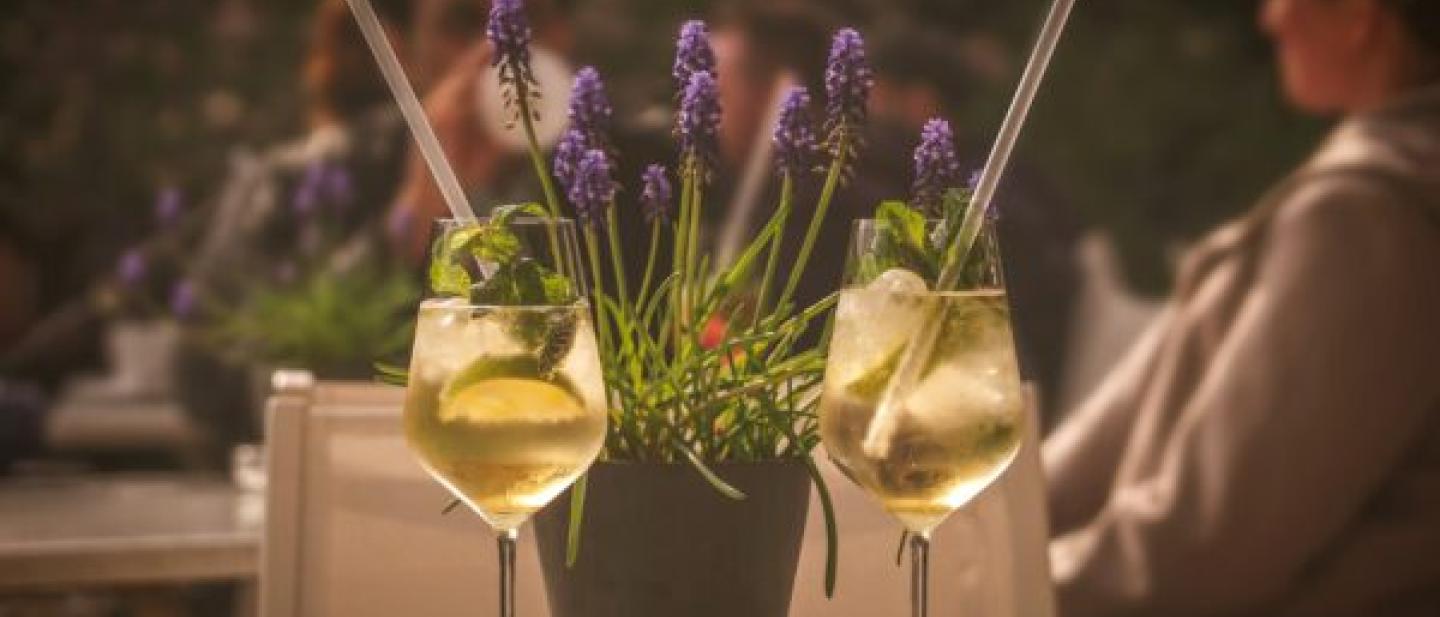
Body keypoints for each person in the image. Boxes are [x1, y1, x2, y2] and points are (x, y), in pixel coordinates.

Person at [1043, 0, 1440, 615]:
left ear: (1360, 14)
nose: (1269, 20)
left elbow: (1194, 552)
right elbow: (1077, 477)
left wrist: (979, 588)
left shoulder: (1368, 217)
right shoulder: (1381, 188)